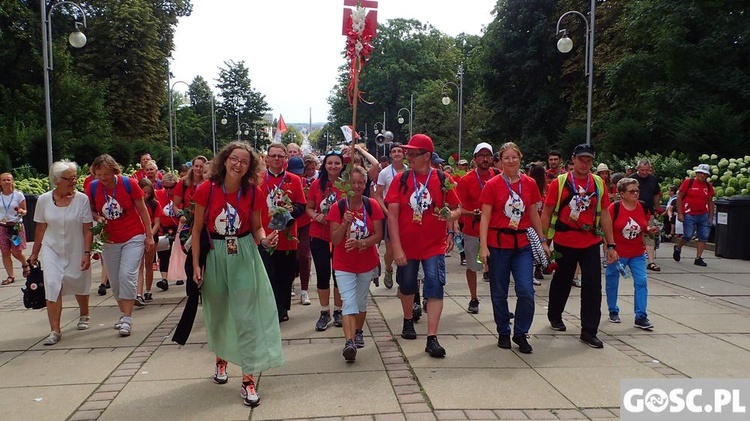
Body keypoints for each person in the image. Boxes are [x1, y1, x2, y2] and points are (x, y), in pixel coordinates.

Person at [190, 141, 284, 407]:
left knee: (246, 316)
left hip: (243, 253)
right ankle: (221, 359)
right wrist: (197, 264)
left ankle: (247, 379)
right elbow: (197, 230)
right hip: (215, 254)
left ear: (250, 165)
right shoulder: (206, 189)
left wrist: (265, 241)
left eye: (244, 161)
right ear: (225, 160)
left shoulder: (252, 192)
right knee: (218, 312)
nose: (238, 164)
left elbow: (257, 228)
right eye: (234, 159)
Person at [386, 134, 460, 358]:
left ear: (426, 156)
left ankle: (432, 338)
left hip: (433, 245)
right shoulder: (401, 179)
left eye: (412, 153)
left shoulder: (442, 178)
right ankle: (408, 319)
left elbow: (457, 208)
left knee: (435, 285)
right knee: (407, 285)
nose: (408, 156)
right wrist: (396, 248)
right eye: (407, 152)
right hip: (407, 245)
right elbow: (392, 215)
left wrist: (450, 219)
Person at [541, 144, 617, 349]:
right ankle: (555, 315)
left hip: (590, 240)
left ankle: (589, 330)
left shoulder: (599, 183)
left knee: (593, 286)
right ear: (573, 159)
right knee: (562, 280)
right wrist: (543, 242)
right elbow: (547, 212)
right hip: (565, 240)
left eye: (589, 160)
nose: (585, 163)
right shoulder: (561, 182)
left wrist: (611, 245)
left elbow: (606, 215)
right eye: (581, 159)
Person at [479, 142, 547, 354]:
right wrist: (483, 247)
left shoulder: (529, 184)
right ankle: (503, 331)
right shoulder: (492, 185)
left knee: (526, 290)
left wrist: (543, 240)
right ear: (500, 161)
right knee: (499, 291)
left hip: (522, 243)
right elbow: (485, 217)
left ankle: (520, 331)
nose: (510, 161)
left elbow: (534, 214)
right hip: (498, 243)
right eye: (506, 158)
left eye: (514, 157)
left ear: (520, 158)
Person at [87, 154, 155, 337]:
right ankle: (123, 313)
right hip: (109, 239)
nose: (102, 178)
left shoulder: (128, 184)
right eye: (98, 175)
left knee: (127, 275)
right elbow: (90, 210)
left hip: (133, 235)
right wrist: (98, 217)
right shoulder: (93, 188)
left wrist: (149, 236)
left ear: (114, 171)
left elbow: (142, 210)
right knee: (115, 282)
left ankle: (127, 318)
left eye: (106, 174)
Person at [28, 160, 93, 345]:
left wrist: (87, 252)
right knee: (52, 284)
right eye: (69, 178)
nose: (74, 181)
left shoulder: (82, 199)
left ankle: (84, 313)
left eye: (75, 177)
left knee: (78, 280)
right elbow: (40, 228)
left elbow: (88, 228)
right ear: (56, 180)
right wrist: (34, 253)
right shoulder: (43, 200)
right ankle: (55, 330)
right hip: (52, 248)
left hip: (76, 246)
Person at [328, 166, 384, 362]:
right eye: (353, 182)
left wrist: (362, 243)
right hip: (344, 264)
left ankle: (358, 331)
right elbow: (334, 240)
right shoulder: (338, 207)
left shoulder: (372, 206)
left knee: (360, 302)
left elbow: (379, 235)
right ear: (346, 185)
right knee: (349, 302)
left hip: (366, 263)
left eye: (361, 182)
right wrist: (344, 223)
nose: (358, 186)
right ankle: (349, 342)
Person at [259, 143, 307, 322]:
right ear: (267, 158)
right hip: (265, 235)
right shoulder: (258, 179)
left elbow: (302, 206)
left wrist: (290, 209)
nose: (277, 159)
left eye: (280, 156)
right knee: (268, 275)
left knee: (286, 276)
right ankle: (271, 308)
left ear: (285, 159)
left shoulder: (294, 180)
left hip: (287, 236)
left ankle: (282, 307)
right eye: (273, 156)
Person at [605, 177, 658, 330]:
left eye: (637, 190)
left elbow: (644, 225)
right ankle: (613, 310)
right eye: (631, 191)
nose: (636, 193)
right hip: (618, 253)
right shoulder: (614, 208)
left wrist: (649, 230)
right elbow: (606, 229)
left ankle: (641, 315)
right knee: (612, 281)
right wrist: (610, 248)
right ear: (622, 194)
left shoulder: (642, 206)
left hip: (637, 253)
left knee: (641, 281)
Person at [456, 142, 497, 313]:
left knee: (497, 268)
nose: (485, 159)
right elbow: (457, 207)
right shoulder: (466, 180)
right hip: (472, 230)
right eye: (481, 156)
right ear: (475, 159)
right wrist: (472, 213)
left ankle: (498, 302)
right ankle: (474, 298)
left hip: (494, 230)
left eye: (488, 155)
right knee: (472, 266)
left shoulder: (499, 177)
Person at [306, 150, 345, 331]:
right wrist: (315, 216)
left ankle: (338, 310)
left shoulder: (346, 184)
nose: (333, 166)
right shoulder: (316, 185)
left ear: (342, 165)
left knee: (339, 275)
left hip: (340, 236)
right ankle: (324, 311)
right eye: (330, 163)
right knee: (323, 274)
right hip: (319, 235)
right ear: (325, 165)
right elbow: (309, 207)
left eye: (337, 163)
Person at [160, 155, 207, 290]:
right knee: (190, 255)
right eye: (196, 166)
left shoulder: (209, 182)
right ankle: (192, 287)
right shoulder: (184, 183)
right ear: (192, 166)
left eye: (201, 166)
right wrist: (180, 214)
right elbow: (175, 205)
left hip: (205, 223)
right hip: (189, 223)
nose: (198, 169)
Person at [375, 142, 407, 290]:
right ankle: (388, 269)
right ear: (390, 154)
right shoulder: (385, 173)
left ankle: (404, 278)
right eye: (394, 151)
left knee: (406, 246)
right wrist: (386, 211)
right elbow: (378, 195)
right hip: (390, 211)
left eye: (399, 151)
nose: (397, 153)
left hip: (407, 211)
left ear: (403, 154)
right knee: (391, 248)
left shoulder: (409, 170)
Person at [674, 164, 715, 267]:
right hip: (689, 213)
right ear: (696, 173)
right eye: (700, 173)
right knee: (688, 235)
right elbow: (679, 197)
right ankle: (678, 248)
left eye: (704, 174)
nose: (702, 175)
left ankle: (698, 257)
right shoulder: (689, 182)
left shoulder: (708, 186)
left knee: (704, 236)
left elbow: (710, 201)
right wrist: (680, 213)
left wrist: (710, 216)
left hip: (703, 214)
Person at [292, 155, 319, 305]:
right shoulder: (287, 181)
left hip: (304, 223)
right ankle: (290, 284)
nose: (297, 174)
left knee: (304, 254)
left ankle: (304, 290)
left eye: (299, 171)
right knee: (290, 256)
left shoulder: (308, 183)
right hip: (289, 223)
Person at [154, 173, 182, 298]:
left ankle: (180, 275)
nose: (169, 190)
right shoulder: (159, 194)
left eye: (172, 187)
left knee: (179, 253)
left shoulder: (180, 195)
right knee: (164, 253)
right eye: (166, 187)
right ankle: (164, 279)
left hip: (179, 227)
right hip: (163, 228)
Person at [631, 159, 662, 271]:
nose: (644, 172)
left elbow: (656, 194)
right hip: (633, 210)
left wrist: (657, 207)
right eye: (642, 170)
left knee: (649, 235)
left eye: (647, 170)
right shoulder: (632, 179)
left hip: (648, 211)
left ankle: (651, 262)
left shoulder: (653, 179)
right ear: (638, 168)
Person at [136, 178, 162, 306]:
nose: (146, 195)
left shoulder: (155, 204)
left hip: (151, 235)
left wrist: (150, 234)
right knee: (139, 266)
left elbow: (157, 222)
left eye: (148, 193)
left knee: (149, 264)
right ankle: (139, 293)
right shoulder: (135, 203)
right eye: (143, 192)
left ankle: (148, 290)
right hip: (138, 235)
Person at [0, 172, 29, 285]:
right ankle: (10, 276)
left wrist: (22, 212)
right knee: (5, 252)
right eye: (4, 180)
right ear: (0, 182)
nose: (6, 182)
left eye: (8, 180)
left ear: (12, 181)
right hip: (3, 226)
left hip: (16, 226)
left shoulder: (18, 195)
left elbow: (25, 210)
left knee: (17, 252)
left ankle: (25, 263)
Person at [527, 163, 548, 284]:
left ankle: (537, 268)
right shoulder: (533, 188)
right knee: (534, 248)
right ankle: (536, 269)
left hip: (535, 223)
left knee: (534, 248)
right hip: (537, 222)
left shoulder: (545, 189)